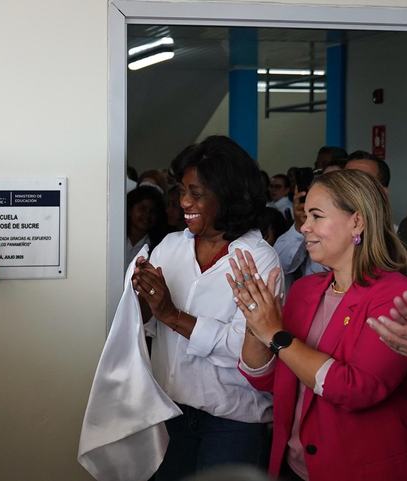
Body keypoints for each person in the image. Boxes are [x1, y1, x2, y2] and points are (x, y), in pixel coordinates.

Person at [235, 169, 407, 480]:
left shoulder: (395, 294)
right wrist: (256, 321)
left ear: (356, 222)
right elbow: (270, 381)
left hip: (359, 469)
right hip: (294, 466)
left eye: (316, 216)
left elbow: (356, 390)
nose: (304, 226)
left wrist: (275, 335)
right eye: (306, 216)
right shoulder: (306, 290)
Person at [131, 136, 279, 480]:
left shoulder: (256, 258)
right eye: (181, 190)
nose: (184, 202)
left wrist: (172, 314)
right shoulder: (169, 247)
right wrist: (141, 300)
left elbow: (249, 350)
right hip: (170, 412)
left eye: (196, 194)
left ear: (228, 196)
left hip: (233, 423)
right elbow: (147, 328)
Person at [125, 185, 168, 271]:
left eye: (153, 211)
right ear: (130, 210)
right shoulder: (115, 237)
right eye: (142, 208)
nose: (147, 215)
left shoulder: (160, 245)